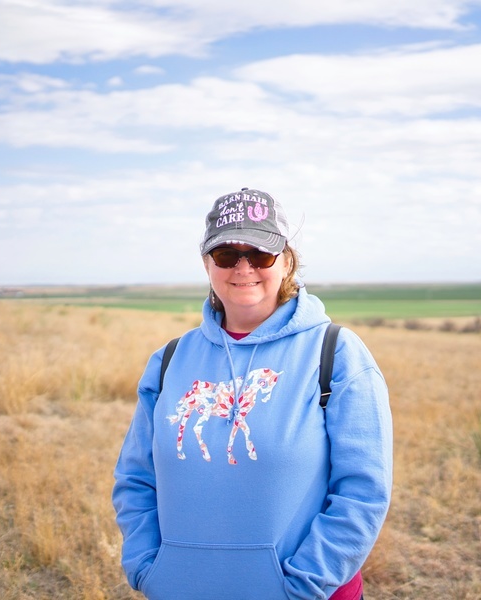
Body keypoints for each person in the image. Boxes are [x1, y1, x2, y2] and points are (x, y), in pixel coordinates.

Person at [112, 188, 393, 600]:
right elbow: (136, 478)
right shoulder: (170, 359)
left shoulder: (337, 354)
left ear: (286, 260)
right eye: (226, 255)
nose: (243, 267)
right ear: (207, 263)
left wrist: (303, 584)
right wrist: (149, 568)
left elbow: (363, 491)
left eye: (260, 254)